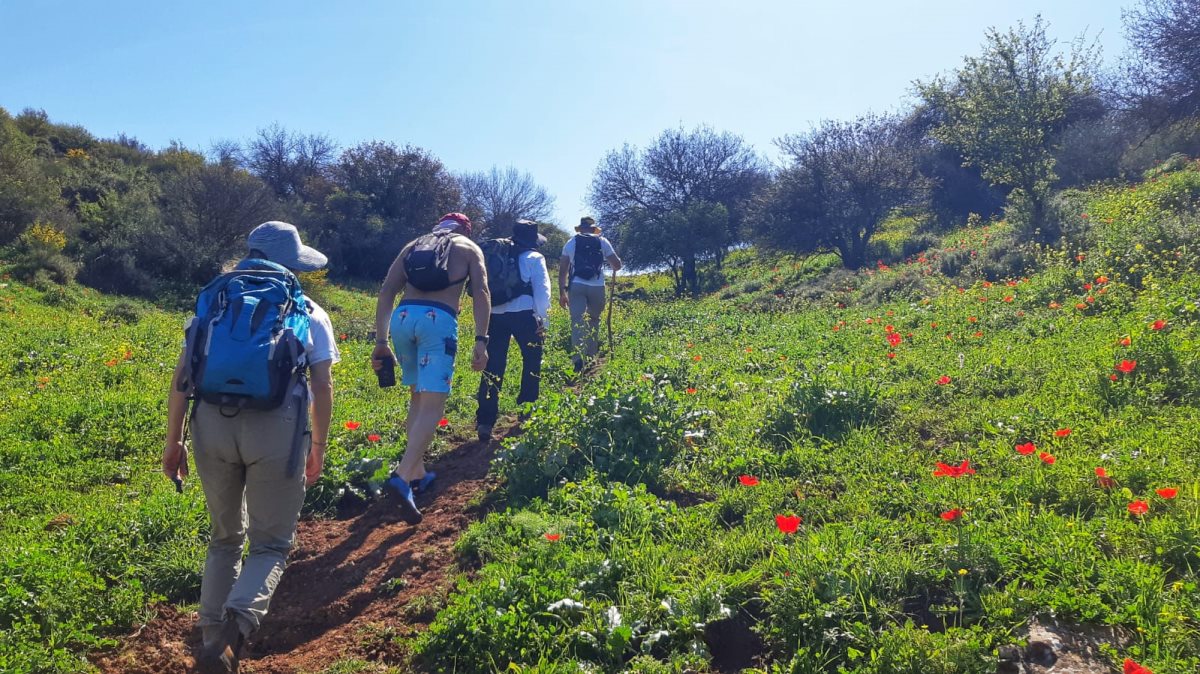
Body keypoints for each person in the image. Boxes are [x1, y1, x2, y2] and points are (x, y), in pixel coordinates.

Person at [162, 221, 339, 673]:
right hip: (276, 428)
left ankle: (208, 637)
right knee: (271, 545)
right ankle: (233, 633)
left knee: (224, 538)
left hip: (210, 425)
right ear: (292, 262)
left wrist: (173, 441)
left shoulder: (212, 303)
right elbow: (322, 384)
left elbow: (183, 379)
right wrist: (317, 444)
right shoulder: (308, 310)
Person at [371, 212, 489, 524]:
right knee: (433, 404)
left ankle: (418, 472)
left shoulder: (413, 245)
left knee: (417, 398)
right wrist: (481, 339)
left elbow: (386, 291)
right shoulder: (468, 248)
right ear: (465, 230)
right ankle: (402, 474)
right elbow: (481, 293)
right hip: (438, 321)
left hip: (403, 319)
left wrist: (381, 340)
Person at [475, 219, 551, 441]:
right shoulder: (535, 258)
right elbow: (543, 292)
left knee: (494, 366)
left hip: (495, 314)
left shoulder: (497, 254)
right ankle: (527, 409)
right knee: (532, 360)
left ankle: (485, 421)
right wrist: (542, 321)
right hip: (525, 315)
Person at [559, 216, 622, 372]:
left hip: (577, 285)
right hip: (597, 286)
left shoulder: (571, 243)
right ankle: (591, 356)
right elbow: (617, 265)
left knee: (577, 321)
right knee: (594, 319)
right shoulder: (602, 241)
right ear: (594, 229)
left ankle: (578, 359)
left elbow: (563, 270)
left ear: (580, 229)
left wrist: (562, 292)